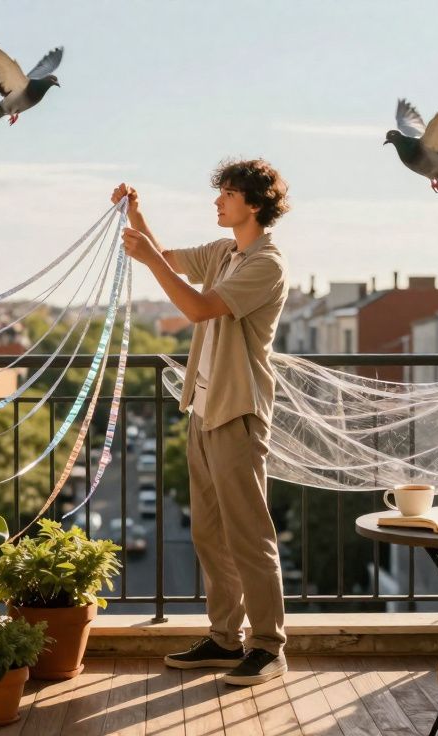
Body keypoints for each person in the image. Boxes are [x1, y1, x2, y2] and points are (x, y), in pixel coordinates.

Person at [110, 158, 290, 686]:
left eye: (227, 194)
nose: (217, 202)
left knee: (248, 534)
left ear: (253, 204)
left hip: (238, 413)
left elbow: (196, 307)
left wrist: (148, 261)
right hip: (204, 409)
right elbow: (168, 258)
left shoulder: (267, 263)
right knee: (210, 534)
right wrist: (137, 215)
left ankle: (268, 646)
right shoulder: (224, 252)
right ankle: (223, 638)